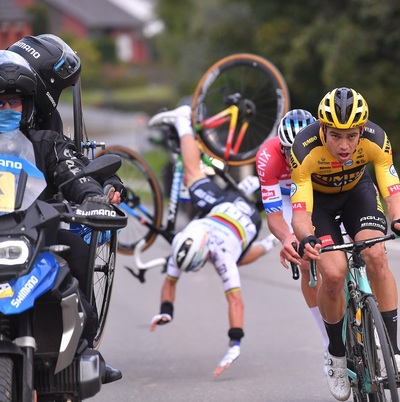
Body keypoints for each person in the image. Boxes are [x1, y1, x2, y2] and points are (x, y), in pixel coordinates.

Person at [0, 49, 123, 384]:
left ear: (27, 106)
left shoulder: (46, 143)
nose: (8, 110)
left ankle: (84, 348)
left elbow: (76, 174)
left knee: (78, 253)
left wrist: (94, 196)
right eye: (0, 103)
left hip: (37, 237)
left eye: (15, 103)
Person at [147, 105, 277, 378]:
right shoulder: (183, 244)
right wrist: (165, 310)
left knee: (193, 176)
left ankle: (183, 122)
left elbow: (235, 303)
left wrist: (235, 342)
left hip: (245, 218)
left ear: (205, 251)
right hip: (221, 212)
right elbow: (173, 282)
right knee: (195, 178)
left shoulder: (221, 255)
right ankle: (268, 240)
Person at [290, 87, 400, 401]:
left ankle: (393, 350)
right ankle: (337, 357)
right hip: (319, 205)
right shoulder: (304, 149)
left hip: (357, 194)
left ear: (362, 130)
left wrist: (397, 218)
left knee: (376, 254)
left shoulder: (377, 140)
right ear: (322, 129)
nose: (344, 145)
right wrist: (305, 237)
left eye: (351, 136)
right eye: (336, 136)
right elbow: (301, 212)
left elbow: (392, 192)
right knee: (334, 274)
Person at [255, 109, 329, 354]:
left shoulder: (326, 145)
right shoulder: (268, 156)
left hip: (317, 194)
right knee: (307, 259)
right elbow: (274, 215)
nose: (293, 156)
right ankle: (327, 337)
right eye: (288, 150)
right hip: (288, 199)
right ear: (281, 148)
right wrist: (287, 237)